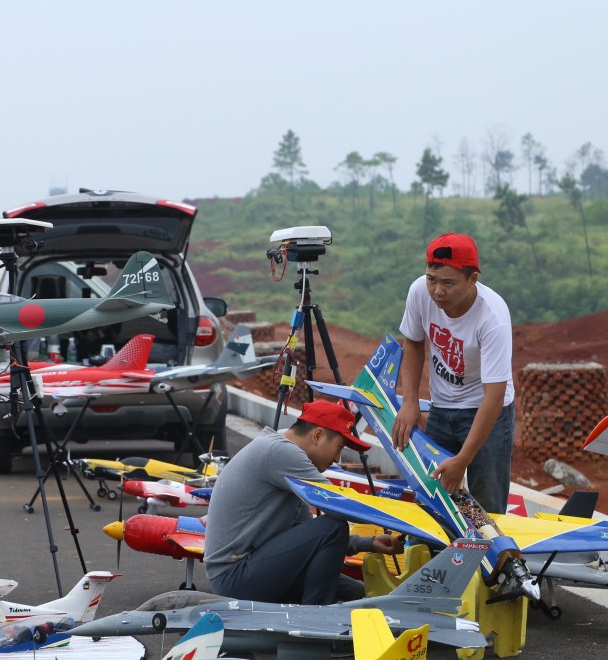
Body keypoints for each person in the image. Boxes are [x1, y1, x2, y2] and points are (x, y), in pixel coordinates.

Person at [205, 399, 402, 605]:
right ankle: (316, 620)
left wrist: (368, 543)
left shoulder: (283, 458)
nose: (337, 458)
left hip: (246, 569)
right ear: (317, 435)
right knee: (333, 526)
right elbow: (340, 503)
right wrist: (405, 516)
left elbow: (309, 535)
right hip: (234, 577)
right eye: (339, 447)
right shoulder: (281, 453)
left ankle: (316, 612)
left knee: (358, 594)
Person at [391, 233, 515, 514]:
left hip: (487, 413)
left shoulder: (492, 317)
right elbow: (412, 340)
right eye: (432, 279)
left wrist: (463, 459)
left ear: (473, 280)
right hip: (443, 407)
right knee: (431, 495)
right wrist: (410, 401)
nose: (437, 291)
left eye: (448, 283)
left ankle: (489, 558)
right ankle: (435, 556)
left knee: (487, 505)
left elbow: (494, 398)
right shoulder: (419, 292)